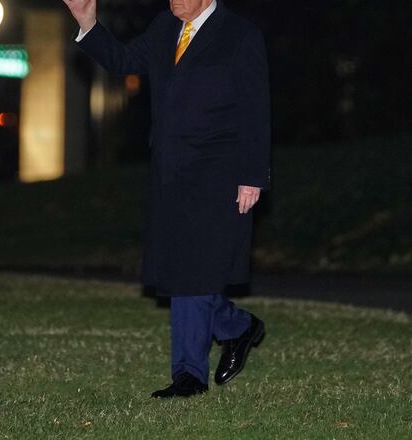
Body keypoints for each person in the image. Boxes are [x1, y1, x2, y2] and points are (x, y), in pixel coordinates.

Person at [61, 0, 271, 398]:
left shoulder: (240, 35)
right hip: (170, 172)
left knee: (193, 270)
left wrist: (252, 176)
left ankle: (189, 375)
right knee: (182, 268)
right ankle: (238, 327)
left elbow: (256, 109)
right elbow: (123, 60)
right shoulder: (163, 27)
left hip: (219, 172)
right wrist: (87, 22)